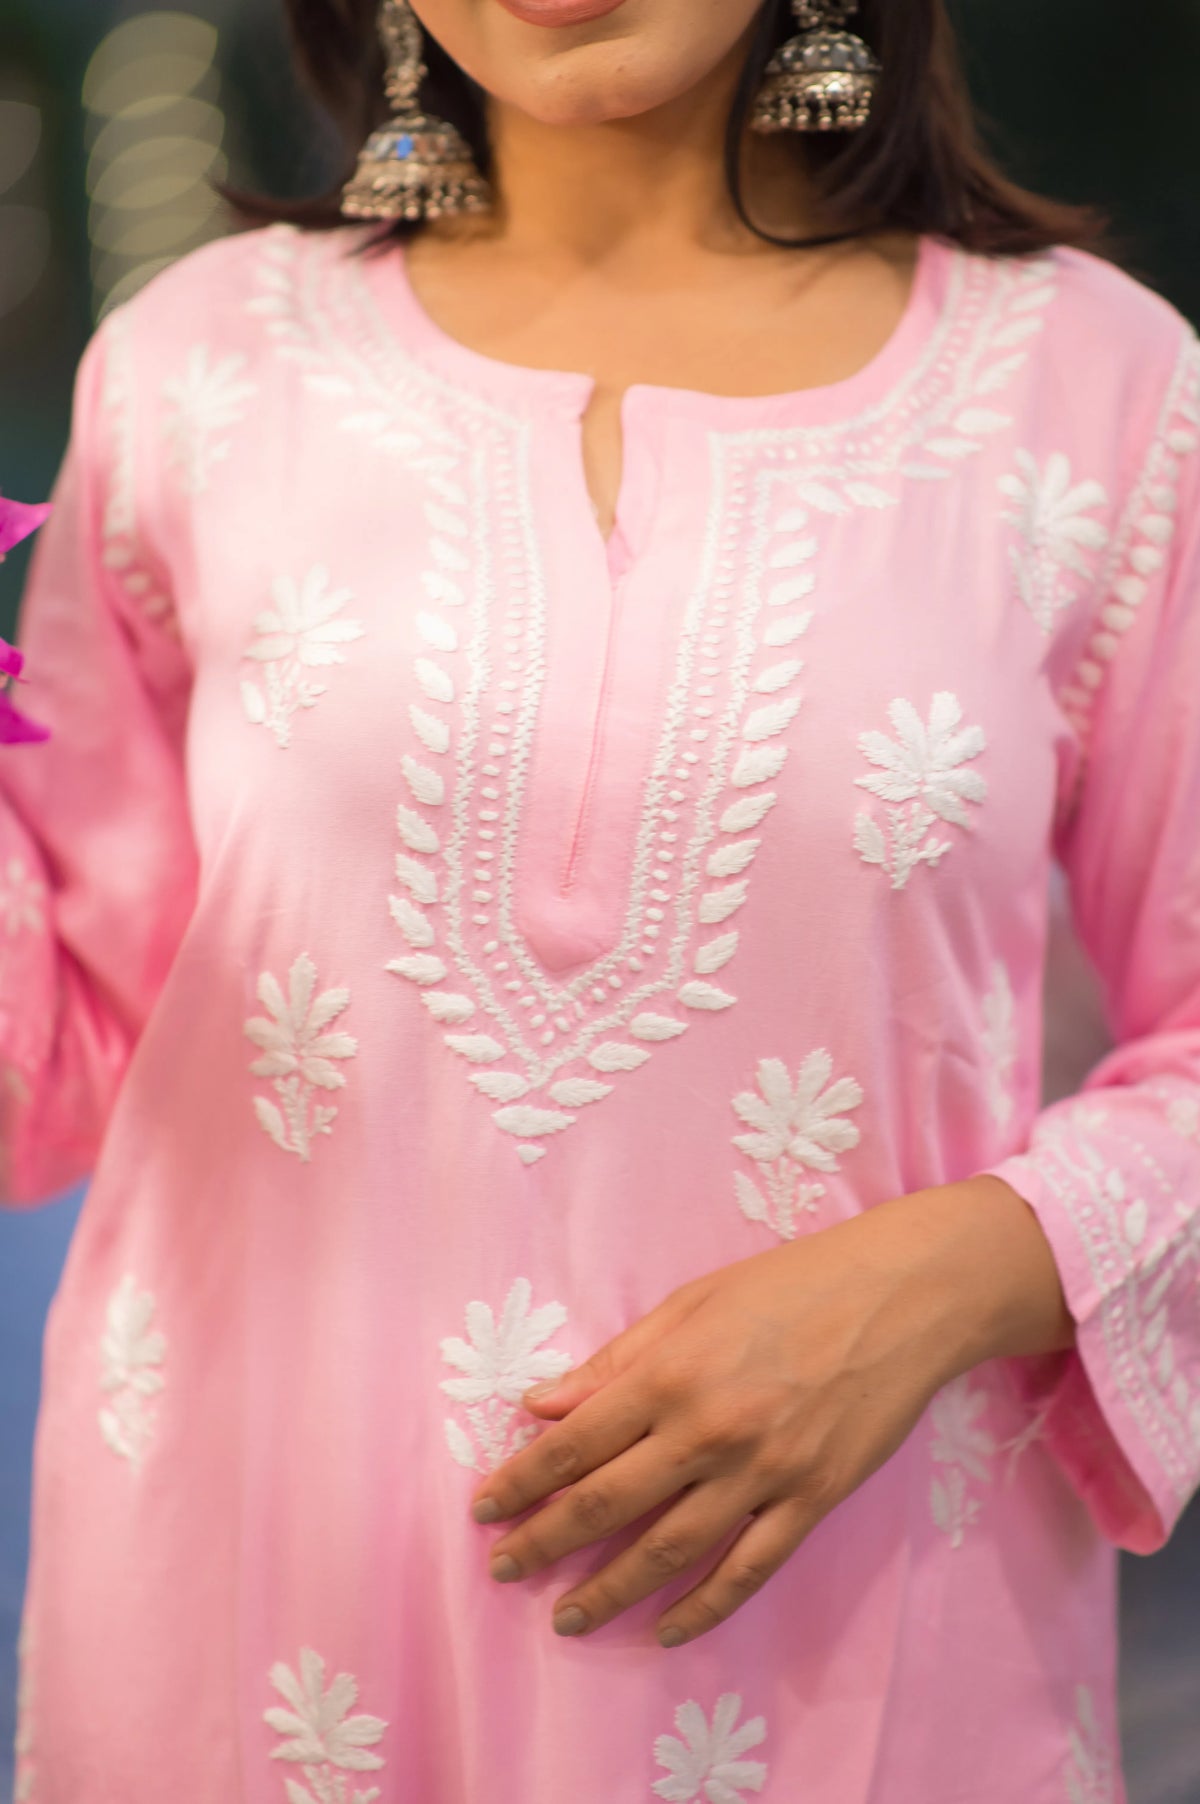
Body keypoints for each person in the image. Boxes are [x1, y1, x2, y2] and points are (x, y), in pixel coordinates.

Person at [2, 0, 1198, 1796]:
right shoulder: (196, 367)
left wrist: (944, 1277)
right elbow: (52, 1048)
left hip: (860, 1642)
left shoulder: (1095, 392)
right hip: (261, 1640)